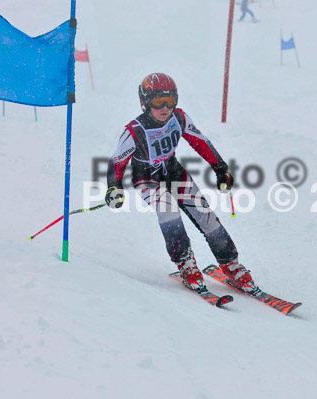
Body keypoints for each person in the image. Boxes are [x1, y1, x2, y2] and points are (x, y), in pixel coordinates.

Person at [105, 73, 259, 295]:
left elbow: (200, 141)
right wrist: (114, 187)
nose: (165, 107)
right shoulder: (134, 130)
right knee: (169, 211)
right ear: (145, 102)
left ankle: (231, 264)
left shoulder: (179, 118)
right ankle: (186, 263)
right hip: (146, 178)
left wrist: (220, 168)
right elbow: (117, 162)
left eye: (171, 100)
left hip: (174, 171)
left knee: (204, 214)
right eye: (158, 101)